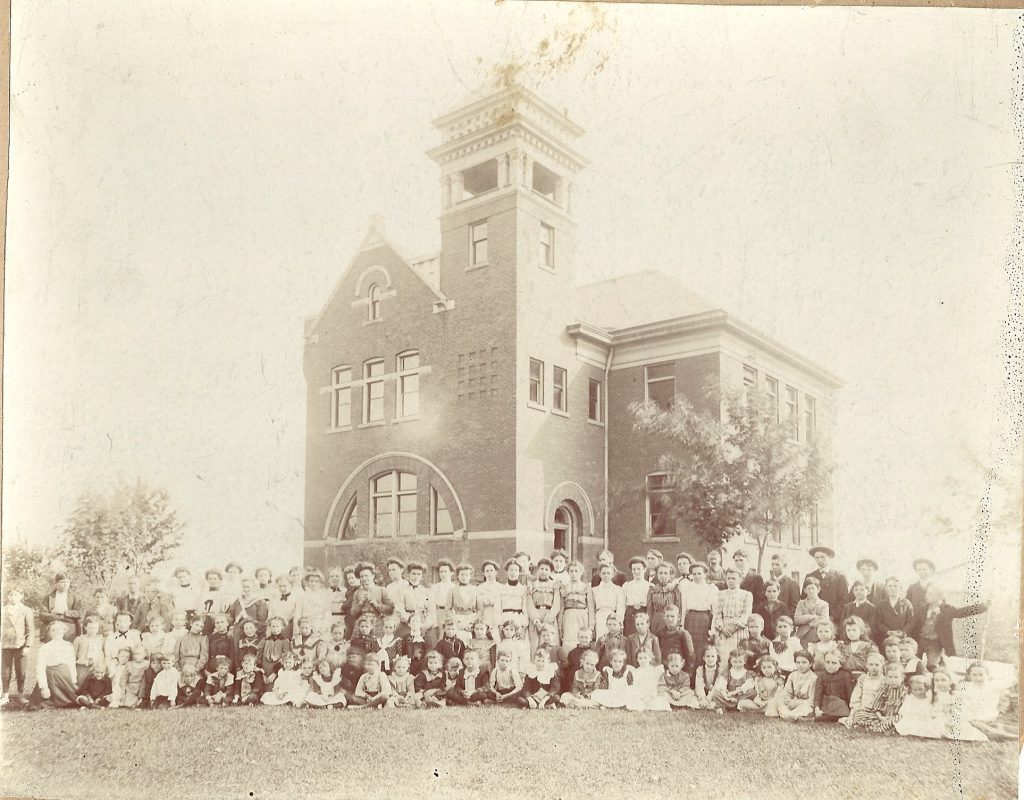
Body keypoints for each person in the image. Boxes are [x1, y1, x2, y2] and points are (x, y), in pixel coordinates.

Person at [910, 584, 988, 668]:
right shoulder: (923, 608)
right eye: (926, 593)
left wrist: (983, 607)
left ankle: (938, 667)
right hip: (920, 641)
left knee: (932, 665)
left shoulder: (947, 609)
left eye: (930, 594)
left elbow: (962, 612)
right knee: (913, 663)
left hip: (935, 643)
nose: (926, 596)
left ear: (939, 596)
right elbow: (914, 624)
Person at [848, 660, 907, 733]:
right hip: (880, 716)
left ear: (902, 678)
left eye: (896, 677)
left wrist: (893, 717)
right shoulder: (885, 688)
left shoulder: (904, 691)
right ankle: (879, 727)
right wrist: (880, 717)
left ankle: (874, 727)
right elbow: (877, 704)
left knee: (898, 720)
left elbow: (904, 709)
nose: (893, 680)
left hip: (894, 717)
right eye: (890, 677)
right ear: (886, 678)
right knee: (859, 714)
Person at [28, 621, 78, 708]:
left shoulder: (68, 646)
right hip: (51, 678)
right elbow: (40, 668)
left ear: (63, 631)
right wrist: (44, 687)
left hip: (65, 678)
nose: (56, 632)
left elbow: (72, 664)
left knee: (76, 699)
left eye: (58, 630)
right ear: (49, 632)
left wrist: (73, 681)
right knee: (38, 704)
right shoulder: (45, 648)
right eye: (53, 630)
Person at [1, 587, 35, 707]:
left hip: (20, 645)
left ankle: (20, 695)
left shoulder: (26, 610)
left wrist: (27, 645)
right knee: (5, 672)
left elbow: (31, 630)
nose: (13, 597)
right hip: (5, 645)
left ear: (21, 596)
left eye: (16, 595)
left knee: (21, 671)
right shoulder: (3, 609)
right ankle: (5, 696)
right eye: (10, 594)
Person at [682, 562, 717, 677]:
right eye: (694, 574)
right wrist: (682, 625)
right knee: (689, 648)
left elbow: (715, 610)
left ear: (705, 574)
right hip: (690, 619)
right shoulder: (687, 588)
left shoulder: (711, 589)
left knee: (702, 648)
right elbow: (683, 608)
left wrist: (713, 629)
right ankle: (690, 678)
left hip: (704, 619)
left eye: (699, 573)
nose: (697, 576)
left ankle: (701, 677)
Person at [712, 568, 752, 663]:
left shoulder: (746, 595)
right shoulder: (720, 594)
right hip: (724, 630)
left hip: (739, 630)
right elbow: (717, 614)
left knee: (738, 656)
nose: (730, 581)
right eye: (728, 578)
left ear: (740, 579)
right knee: (723, 657)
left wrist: (734, 627)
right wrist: (722, 628)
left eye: (733, 578)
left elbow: (746, 614)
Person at [804, 546, 848, 625]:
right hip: (814, 620)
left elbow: (843, 601)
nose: (820, 560)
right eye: (817, 558)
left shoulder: (839, 577)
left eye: (822, 557)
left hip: (833, 620)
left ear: (829, 557)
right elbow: (804, 598)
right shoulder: (810, 576)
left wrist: (832, 616)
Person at [840, 651, 886, 728]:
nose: (874, 667)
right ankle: (861, 722)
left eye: (877, 665)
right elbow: (856, 695)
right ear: (866, 665)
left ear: (882, 666)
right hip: (863, 708)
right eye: (871, 665)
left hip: (877, 710)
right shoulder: (863, 678)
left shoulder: (884, 680)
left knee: (878, 718)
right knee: (859, 715)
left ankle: (866, 723)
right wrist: (853, 712)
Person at [525, 558, 561, 652]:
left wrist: (547, 620)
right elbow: (529, 603)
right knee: (534, 646)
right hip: (535, 618)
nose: (543, 572)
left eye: (546, 569)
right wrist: (536, 621)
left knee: (549, 645)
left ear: (550, 571)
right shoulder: (532, 585)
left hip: (549, 617)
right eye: (541, 569)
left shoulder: (554, 585)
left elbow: (556, 604)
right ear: (538, 570)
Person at [348, 563, 393, 637]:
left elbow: (390, 610)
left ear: (373, 576)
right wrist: (360, 602)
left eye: (366, 576)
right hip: (361, 623)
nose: (364, 578)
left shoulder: (381, 590)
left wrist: (377, 605)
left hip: (377, 622)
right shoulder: (357, 592)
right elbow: (352, 613)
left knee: (377, 642)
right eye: (362, 576)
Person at [38, 574, 84, 640]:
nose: (65, 584)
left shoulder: (74, 597)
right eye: (63, 582)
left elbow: (79, 613)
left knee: (69, 642)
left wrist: (64, 612)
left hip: (69, 624)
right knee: (51, 640)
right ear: (56, 583)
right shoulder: (48, 597)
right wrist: (58, 617)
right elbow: (42, 614)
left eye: (67, 582)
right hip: (53, 623)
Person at [559, 560, 592, 651]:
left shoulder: (586, 587)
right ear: (568, 572)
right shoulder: (564, 587)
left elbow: (590, 607)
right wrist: (560, 624)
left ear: (581, 572)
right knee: (569, 640)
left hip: (582, 615)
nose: (574, 574)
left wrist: (591, 625)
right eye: (571, 571)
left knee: (582, 638)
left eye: (576, 571)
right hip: (568, 616)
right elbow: (561, 607)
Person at [813, 650, 855, 722]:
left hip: (840, 703)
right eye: (827, 662)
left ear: (840, 664)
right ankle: (827, 717)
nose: (830, 665)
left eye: (834, 663)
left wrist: (851, 708)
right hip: (827, 702)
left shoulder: (845, 675)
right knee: (828, 706)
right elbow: (818, 694)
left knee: (841, 706)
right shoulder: (821, 676)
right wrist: (817, 707)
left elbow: (850, 693)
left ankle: (826, 717)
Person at [873, 577, 915, 646]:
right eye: (890, 586)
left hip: (902, 639)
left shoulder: (907, 603)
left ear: (900, 588)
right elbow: (878, 622)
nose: (893, 588)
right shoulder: (881, 604)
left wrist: (903, 632)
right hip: (885, 638)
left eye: (895, 586)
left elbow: (911, 621)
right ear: (886, 588)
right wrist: (887, 631)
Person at [397, 562, 433, 641]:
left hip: (422, 622)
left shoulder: (426, 591)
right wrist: (410, 621)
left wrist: (425, 624)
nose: (416, 576)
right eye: (413, 573)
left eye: (419, 574)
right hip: (407, 623)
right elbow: (399, 609)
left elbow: (431, 610)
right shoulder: (402, 590)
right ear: (409, 574)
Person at [777, 650, 817, 721]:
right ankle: (789, 714)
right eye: (798, 662)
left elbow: (812, 699)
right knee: (779, 700)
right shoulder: (792, 675)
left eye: (804, 662)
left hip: (804, 704)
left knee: (806, 708)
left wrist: (798, 703)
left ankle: (790, 715)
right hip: (792, 703)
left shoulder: (813, 678)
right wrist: (788, 701)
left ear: (810, 664)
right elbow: (787, 692)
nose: (800, 665)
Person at [589, 564, 625, 640]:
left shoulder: (618, 589)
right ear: (600, 574)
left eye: (608, 573)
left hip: (613, 617)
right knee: (600, 640)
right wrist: (592, 625)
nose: (606, 575)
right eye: (603, 573)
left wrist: (619, 621)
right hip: (599, 618)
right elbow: (591, 609)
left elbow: (621, 607)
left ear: (612, 574)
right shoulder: (594, 590)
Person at [646, 561, 681, 637]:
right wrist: (648, 625)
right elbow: (649, 610)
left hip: (671, 620)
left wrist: (678, 624)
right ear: (657, 575)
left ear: (670, 575)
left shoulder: (675, 589)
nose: (663, 576)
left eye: (666, 573)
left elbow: (679, 608)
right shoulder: (652, 590)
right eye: (660, 573)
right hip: (656, 621)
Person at [656, 606, 694, 671]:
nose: (670, 619)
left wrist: (687, 673)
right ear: (664, 617)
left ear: (678, 617)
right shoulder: (659, 633)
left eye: (672, 616)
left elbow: (690, 657)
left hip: (678, 670)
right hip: (663, 670)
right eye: (667, 616)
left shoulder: (683, 634)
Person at [498, 559, 529, 636]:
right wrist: (500, 624)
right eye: (511, 570)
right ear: (507, 571)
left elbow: (525, 609)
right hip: (505, 618)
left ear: (519, 572)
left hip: (518, 619)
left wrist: (524, 624)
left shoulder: (523, 588)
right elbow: (498, 608)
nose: (513, 572)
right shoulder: (501, 588)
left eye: (516, 570)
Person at [72, 615, 106, 685]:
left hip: (97, 668)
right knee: (82, 685)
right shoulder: (79, 639)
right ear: (85, 627)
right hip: (82, 667)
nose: (93, 630)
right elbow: (73, 656)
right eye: (91, 628)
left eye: (95, 628)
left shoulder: (101, 639)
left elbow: (105, 654)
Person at [450, 563, 478, 643]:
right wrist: (455, 622)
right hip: (458, 620)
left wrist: (472, 623)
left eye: (466, 574)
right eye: (462, 574)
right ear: (458, 576)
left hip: (471, 619)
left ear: (470, 576)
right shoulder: (452, 590)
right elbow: (448, 609)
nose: (464, 577)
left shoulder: (475, 590)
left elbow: (480, 609)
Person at [475, 559, 503, 636]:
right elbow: (478, 606)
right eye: (487, 571)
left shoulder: (501, 587)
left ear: (496, 572)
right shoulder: (479, 588)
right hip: (485, 615)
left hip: (497, 615)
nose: (489, 573)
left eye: (491, 570)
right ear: (484, 573)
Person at [431, 560, 456, 644]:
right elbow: (431, 603)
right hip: (439, 612)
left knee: (451, 634)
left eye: (445, 571)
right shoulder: (435, 587)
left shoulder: (454, 587)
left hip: (451, 612)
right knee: (440, 636)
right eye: (441, 572)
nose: (443, 574)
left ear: (451, 573)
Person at [268, 575, 300, 640]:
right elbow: (270, 615)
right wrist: (268, 630)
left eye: (285, 586)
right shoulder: (275, 599)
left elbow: (296, 617)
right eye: (280, 586)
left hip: (288, 628)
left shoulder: (296, 600)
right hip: (274, 628)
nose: (282, 589)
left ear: (291, 585)